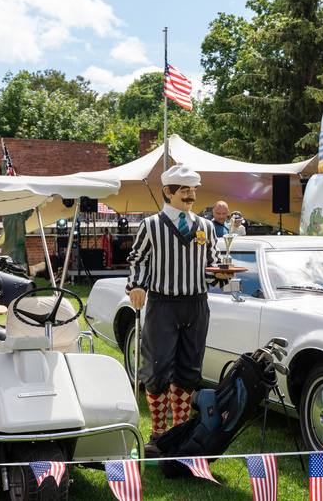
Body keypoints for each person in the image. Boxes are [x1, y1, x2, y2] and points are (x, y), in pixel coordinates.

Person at [126, 163, 231, 457]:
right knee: (157, 369)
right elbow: (137, 259)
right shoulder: (151, 226)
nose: (191, 196)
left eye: (193, 190)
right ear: (168, 192)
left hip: (196, 305)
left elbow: (211, 266)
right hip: (163, 305)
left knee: (188, 371)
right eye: (184, 190)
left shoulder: (206, 226)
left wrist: (220, 276)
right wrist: (137, 285)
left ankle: (180, 432)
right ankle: (158, 434)